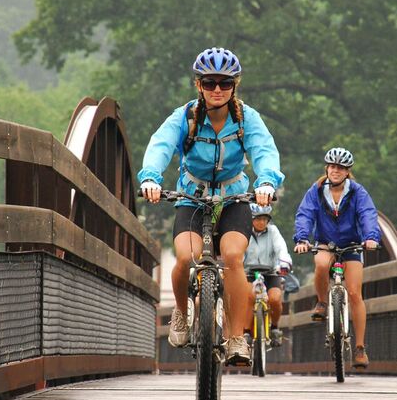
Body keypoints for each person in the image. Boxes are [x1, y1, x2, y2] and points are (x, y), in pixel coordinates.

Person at [139, 47, 284, 366]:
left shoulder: (247, 118)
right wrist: (150, 177)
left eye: (224, 83)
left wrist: (266, 182)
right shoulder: (185, 117)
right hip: (192, 198)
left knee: (233, 257)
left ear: (235, 85)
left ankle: (235, 337)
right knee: (184, 257)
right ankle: (180, 312)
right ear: (198, 85)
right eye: (209, 82)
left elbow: (264, 151)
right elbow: (160, 146)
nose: (217, 89)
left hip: (234, 199)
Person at [292, 147, 380, 369]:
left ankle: (360, 348)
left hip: (352, 245)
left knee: (354, 293)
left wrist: (370, 237)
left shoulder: (358, 192)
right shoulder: (317, 190)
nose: (336, 170)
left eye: (340, 167)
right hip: (326, 243)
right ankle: (322, 303)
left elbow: (368, 214)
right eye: (332, 166)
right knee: (321, 263)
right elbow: (305, 214)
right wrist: (302, 239)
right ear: (327, 168)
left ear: (348, 171)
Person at [243, 203, 292, 347]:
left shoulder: (273, 231)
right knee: (250, 297)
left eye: (265, 219)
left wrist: (284, 263)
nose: (261, 222)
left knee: (275, 299)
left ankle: (275, 328)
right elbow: (239, 253)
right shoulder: (244, 232)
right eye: (258, 219)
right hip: (249, 273)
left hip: (271, 272)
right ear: (251, 219)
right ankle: (246, 332)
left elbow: (281, 248)